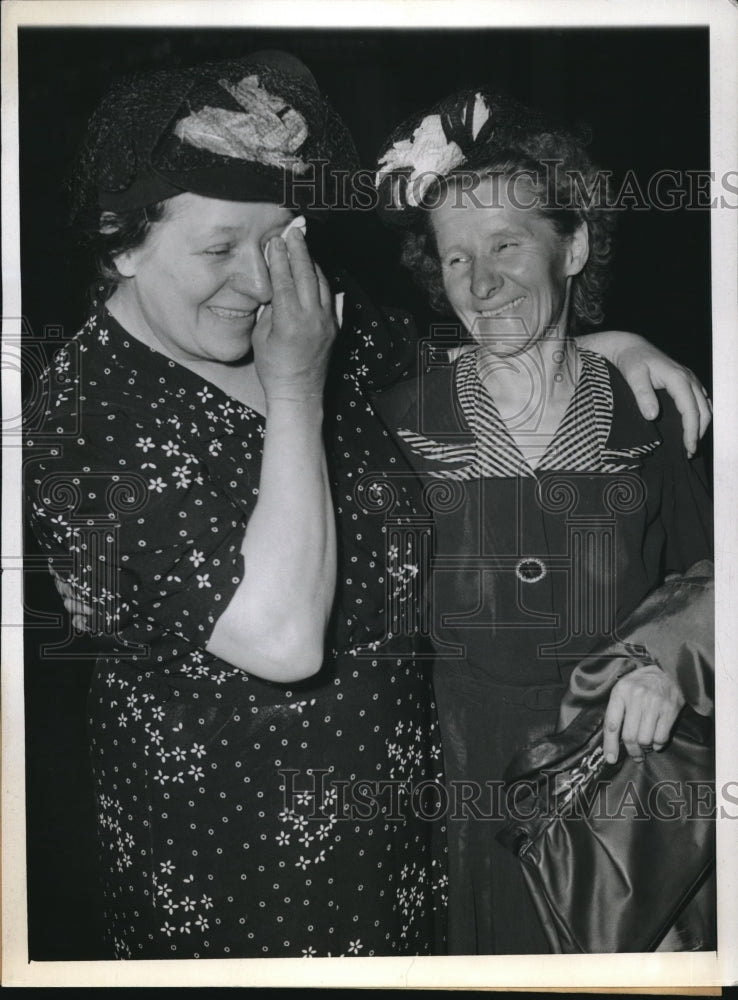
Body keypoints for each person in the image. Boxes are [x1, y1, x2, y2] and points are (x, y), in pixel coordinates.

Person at [30, 55, 710, 961]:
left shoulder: (340, 343)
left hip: (407, 845)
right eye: (218, 247)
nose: (259, 283)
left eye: (278, 244)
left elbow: (491, 340)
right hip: (237, 870)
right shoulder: (84, 413)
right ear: (120, 240)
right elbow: (280, 640)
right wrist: (296, 386)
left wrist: (608, 342)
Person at [371, 87, 714, 955]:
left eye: (508, 245)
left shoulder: (655, 418)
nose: (481, 283)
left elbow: (715, 572)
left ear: (577, 245)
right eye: (455, 260)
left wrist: (674, 658)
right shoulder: (396, 421)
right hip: (457, 793)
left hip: (623, 799)